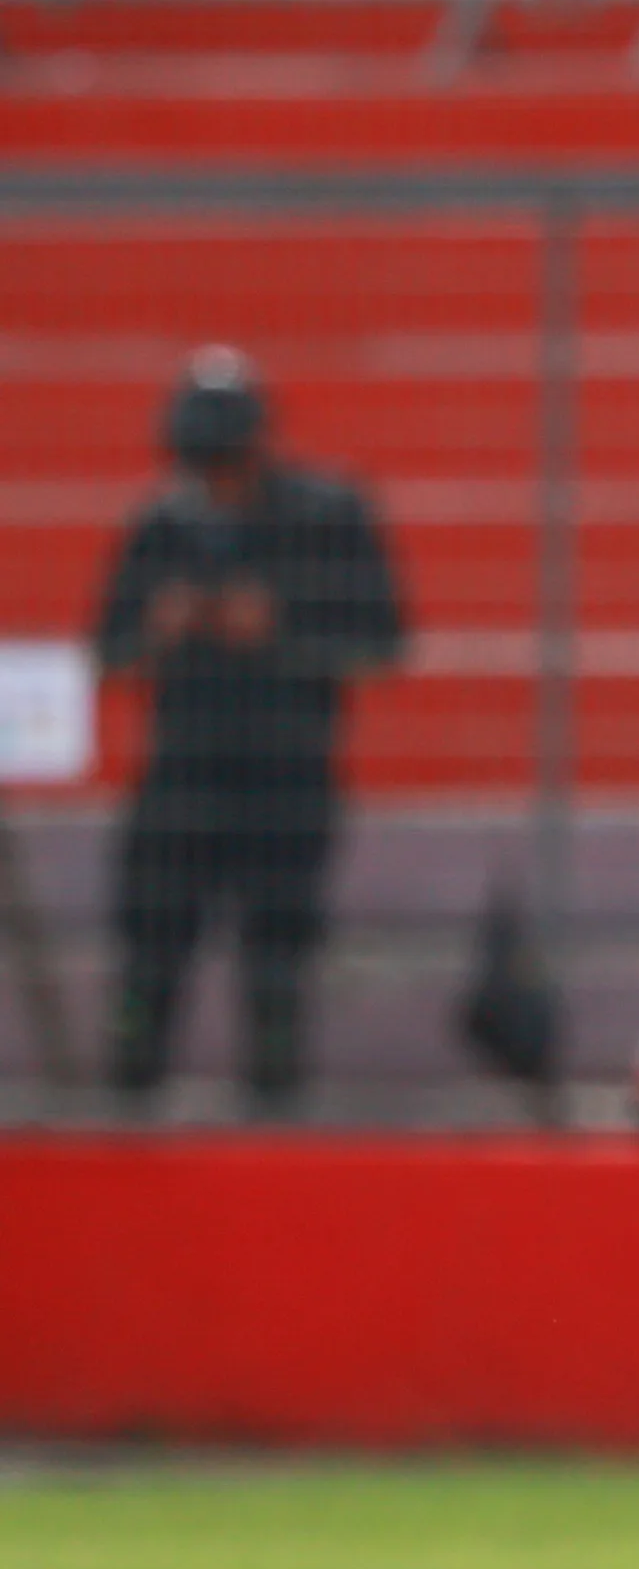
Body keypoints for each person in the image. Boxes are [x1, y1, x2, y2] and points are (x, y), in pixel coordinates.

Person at [92, 348, 402, 1110]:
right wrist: (158, 630)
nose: (215, 481)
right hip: (182, 774)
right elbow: (105, 645)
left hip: (284, 773)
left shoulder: (328, 517)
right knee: (151, 951)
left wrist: (280, 630)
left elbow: (382, 640)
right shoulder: (163, 523)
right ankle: (131, 1097)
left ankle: (274, 1104)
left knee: (275, 959)